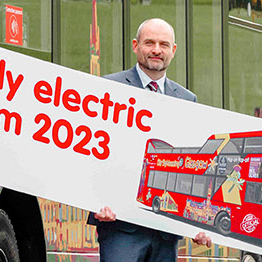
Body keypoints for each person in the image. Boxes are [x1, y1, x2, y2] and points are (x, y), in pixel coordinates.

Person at [88, 18, 212, 261]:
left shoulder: (188, 100)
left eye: (164, 44)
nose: (157, 50)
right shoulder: (108, 89)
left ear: (173, 51)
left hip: (166, 230)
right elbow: (92, 151)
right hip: (119, 225)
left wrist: (200, 221)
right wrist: (95, 201)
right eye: (150, 43)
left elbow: (194, 166)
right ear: (136, 46)